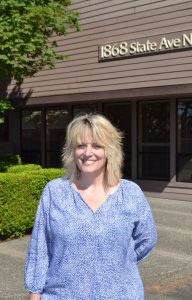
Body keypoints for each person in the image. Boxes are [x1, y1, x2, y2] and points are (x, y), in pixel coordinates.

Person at [24, 113, 157, 300]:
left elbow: (147, 239)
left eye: (97, 146)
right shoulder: (55, 192)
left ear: (109, 150)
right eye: (81, 146)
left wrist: (117, 263)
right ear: (72, 151)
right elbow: (40, 247)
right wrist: (35, 293)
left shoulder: (130, 194)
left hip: (120, 294)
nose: (88, 153)